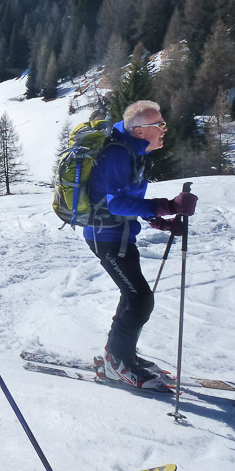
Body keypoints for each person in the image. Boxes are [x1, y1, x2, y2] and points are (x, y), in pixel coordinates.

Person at [84, 100, 197, 389]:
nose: (164, 129)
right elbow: (116, 203)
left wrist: (159, 221)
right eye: (159, 124)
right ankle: (117, 361)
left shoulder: (134, 151)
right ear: (140, 131)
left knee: (132, 296)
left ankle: (119, 354)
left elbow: (129, 197)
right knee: (139, 299)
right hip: (106, 236)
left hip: (120, 234)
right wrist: (168, 205)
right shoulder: (118, 153)